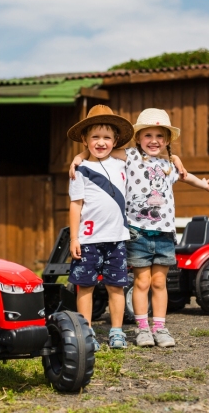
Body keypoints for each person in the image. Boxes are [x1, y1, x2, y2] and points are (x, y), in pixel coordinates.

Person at [69, 108, 209, 348]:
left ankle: (160, 326)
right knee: (141, 282)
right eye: (148, 135)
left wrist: (201, 183)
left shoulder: (169, 165)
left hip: (164, 232)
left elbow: (184, 175)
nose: (154, 140)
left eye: (160, 136)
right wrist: (79, 156)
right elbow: (101, 150)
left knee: (160, 283)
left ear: (167, 140)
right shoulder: (130, 157)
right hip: (137, 230)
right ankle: (142, 328)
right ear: (138, 138)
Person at [66, 104, 135, 351]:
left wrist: (176, 158)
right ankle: (86, 333)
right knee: (85, 286)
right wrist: (74, 238)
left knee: (117, 286)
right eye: (95, 137)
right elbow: (76, 205)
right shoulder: (80, 171)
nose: (101, 142)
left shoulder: (122, 163)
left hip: (116, 237)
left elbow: (150, 157)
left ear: (115, 140)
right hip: (87, 239)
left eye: (107, 137)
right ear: (85, 139)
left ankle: (117, 331)